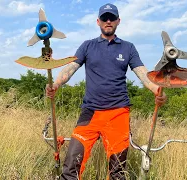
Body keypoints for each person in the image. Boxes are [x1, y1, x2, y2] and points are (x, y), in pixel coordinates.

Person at [46, 3, 167, 180]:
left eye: (112, 18)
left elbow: (142, 73)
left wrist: (158, 90)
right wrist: (56, 85)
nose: (108, 21)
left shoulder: (128, 48)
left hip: (118, 113)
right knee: (71, 163)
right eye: (104, 18)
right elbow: (70, 68)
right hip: (90, 113)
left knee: (118, 171)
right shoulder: (88, 46)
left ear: (118, 21)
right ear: (98, 21)